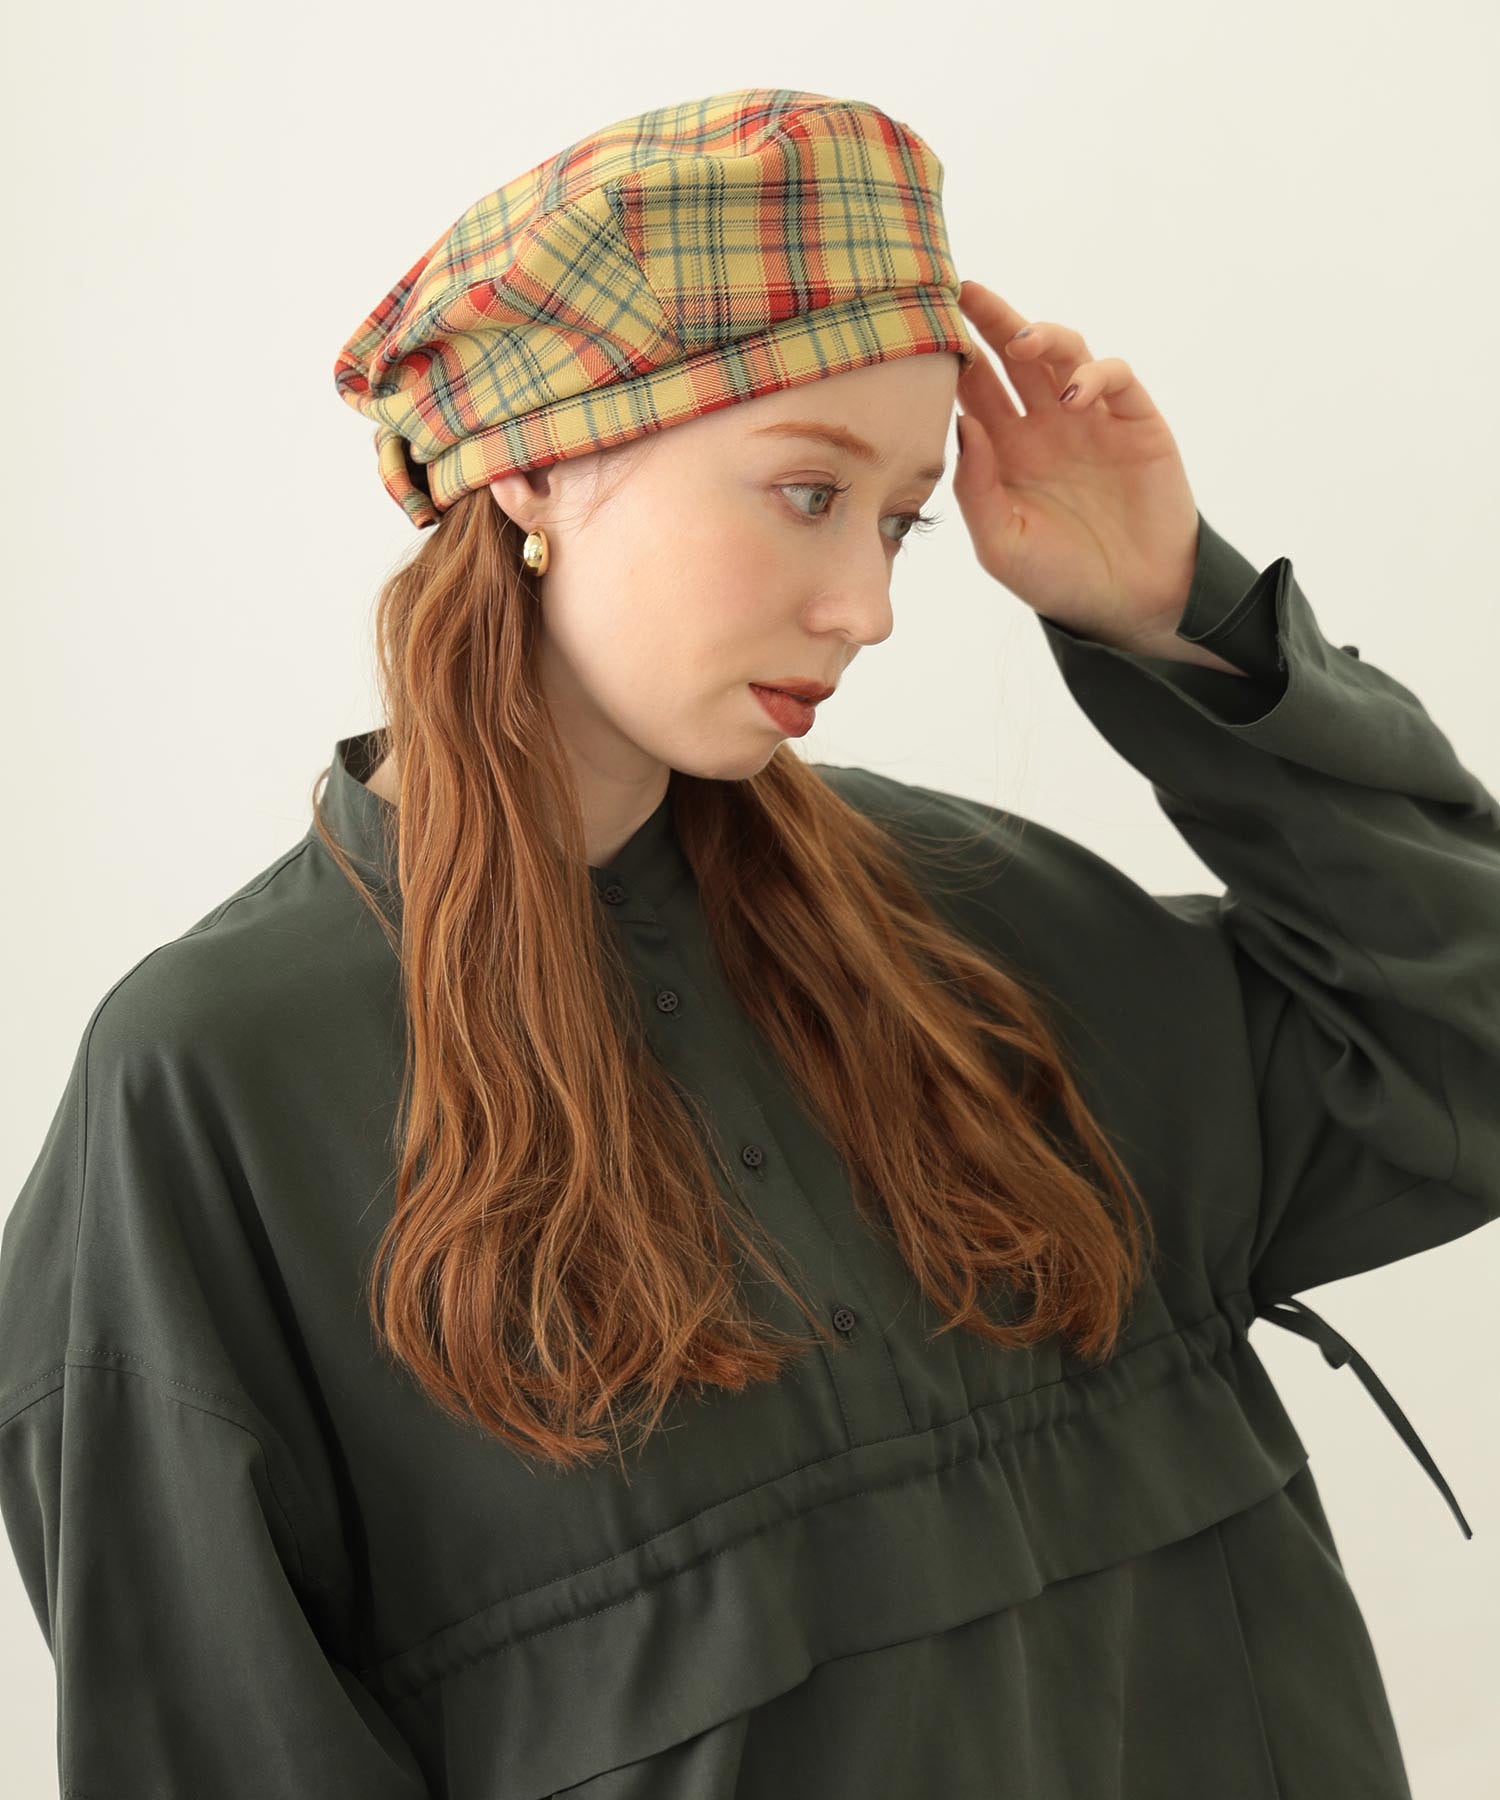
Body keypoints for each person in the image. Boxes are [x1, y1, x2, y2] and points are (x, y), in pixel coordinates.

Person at [1, 85, 1496, 1800]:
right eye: (805, 491)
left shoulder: (971, 930)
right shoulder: (220, 1088)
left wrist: (1178, 618)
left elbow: (1460, 1058)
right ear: (535, 462)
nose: (870, 605)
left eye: (901, 518)